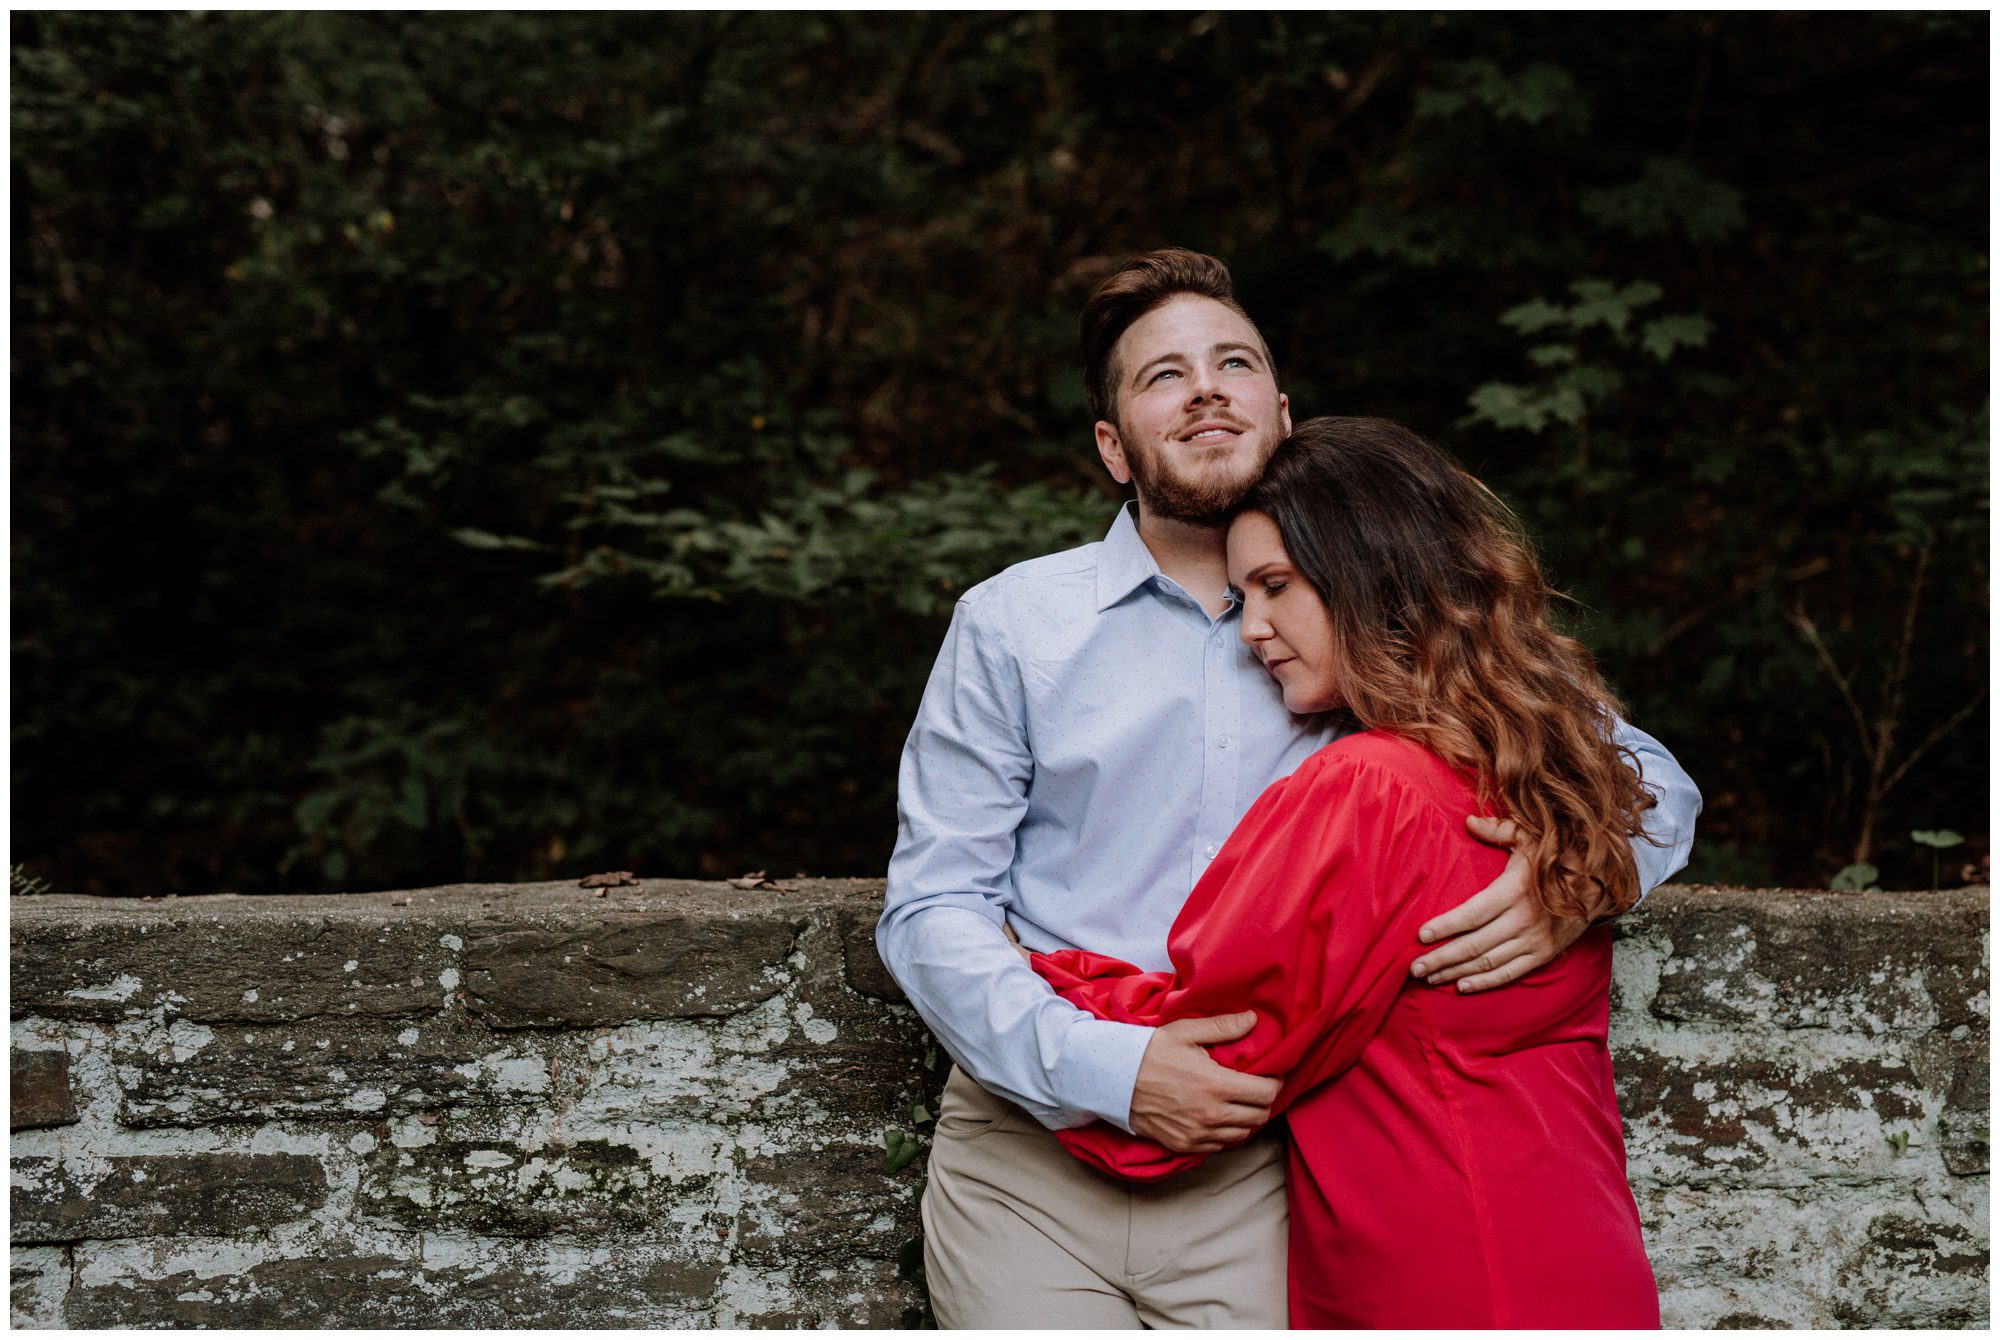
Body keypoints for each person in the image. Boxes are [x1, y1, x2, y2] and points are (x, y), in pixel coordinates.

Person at [877, 248, 1699, 1328]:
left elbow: (1639, 776)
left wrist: (1577, 874)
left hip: (1265, 1155)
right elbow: (934, 905)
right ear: (1114, 448)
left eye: (1233, 360)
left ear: (1281, 411)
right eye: (1161, 374)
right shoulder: (1014, 623)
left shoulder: (1365, 627)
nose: (1206, 384)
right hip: (1029, 1154)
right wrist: (1115, 1067)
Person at [1031, 415, 1663, 1327]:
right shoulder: (1550, 766)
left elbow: (1220, 1042)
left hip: (1444, 1268)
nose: (1252, 627)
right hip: (1579, 1249)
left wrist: (1030, 969)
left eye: (1275, 587)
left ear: (1370, 579)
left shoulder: (1368, 789)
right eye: (1244, 592)